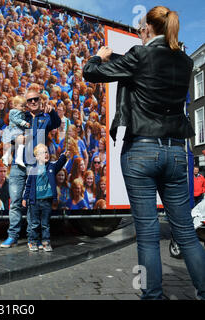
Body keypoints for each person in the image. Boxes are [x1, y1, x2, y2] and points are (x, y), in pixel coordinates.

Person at [83, 6, 205, 299]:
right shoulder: (186, 62)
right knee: (186, 232)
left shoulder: (140, 55)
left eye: (140, 28)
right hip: (176, 151)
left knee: (148, 235)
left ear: (149, 28)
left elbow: (91, 72)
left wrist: (99, 55)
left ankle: (153, 295)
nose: (139, 32)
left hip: (141, 150)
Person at [1, 88, 61, 248]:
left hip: (35, 167)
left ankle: (31, 239)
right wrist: (15, 137)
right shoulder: (20, 116)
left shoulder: (45, 117)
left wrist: (52, 111)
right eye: (30, 100)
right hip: (17, 166)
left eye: (36, 99)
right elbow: (5, 135)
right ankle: (12, 236)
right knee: (15, 202)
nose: (33, 102)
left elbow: (57, 123)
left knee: (31, 203)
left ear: (40, 101)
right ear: (26, 103)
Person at [22, 143, 67, 252]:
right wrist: (25, 198)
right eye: (42, 153)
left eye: (46, 152)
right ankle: (32, 241)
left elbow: (60, 163)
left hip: (47, 201)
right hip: (35, 202)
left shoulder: (51, 167)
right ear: (37, 157)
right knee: (34, 223)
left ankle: (46, 242)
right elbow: (28, 185)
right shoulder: (33, 170)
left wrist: (64, 156)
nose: (45, 154)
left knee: (45, 224)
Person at [1, 95, 30, 167]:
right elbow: (16, 120)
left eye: (24, 106)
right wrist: (24, 123)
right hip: (14, 130)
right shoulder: (13, 112)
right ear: (15, 105)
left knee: (14, 145)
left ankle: (6, 156)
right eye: (21, 106)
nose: (23, 108)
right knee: (21, 143)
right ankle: (18, 158)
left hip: (17, 131)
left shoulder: (20, 112)